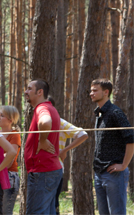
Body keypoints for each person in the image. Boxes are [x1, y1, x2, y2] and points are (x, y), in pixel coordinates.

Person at [91, 78, 134, 215]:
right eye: (91, 90)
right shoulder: (99, 113)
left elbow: (131, 139)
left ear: (106, 92)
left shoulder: (115, 112)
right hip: (99, 173)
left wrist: (123, 165)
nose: (91, 93)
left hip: (114, 174)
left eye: (95, 90)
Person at [24, 79, 62, 215]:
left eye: (29, 89)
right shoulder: (49, 107)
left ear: (40, 92)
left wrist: (43, 140)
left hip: (43, 171)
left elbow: (45, 121)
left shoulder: (42, 108)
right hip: (48, 170)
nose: (26, 92)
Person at [47, 96, 88, 215]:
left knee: (53, 205)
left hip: (54, 170)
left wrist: (64, 150)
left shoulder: (59, 122)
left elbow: (83, 134)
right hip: (40, 170)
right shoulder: (37, 123)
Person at [0, 105, 21, 215]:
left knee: (5, 212)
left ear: (10, 120)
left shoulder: (14, 135)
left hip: (9, 176)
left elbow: (10, 159)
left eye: (2, 115)